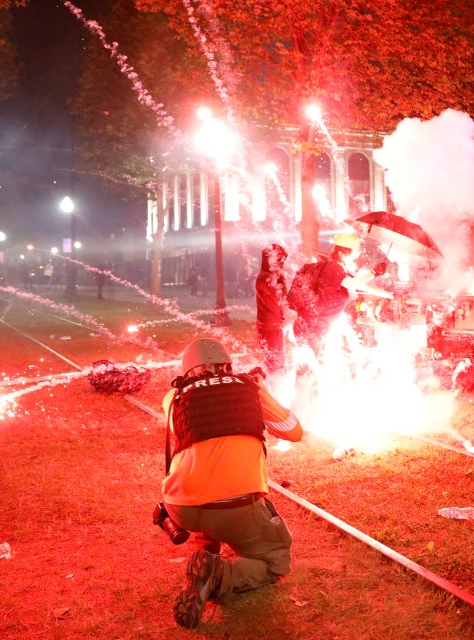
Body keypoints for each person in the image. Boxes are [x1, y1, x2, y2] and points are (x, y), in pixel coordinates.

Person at [160, 338, 303, 629]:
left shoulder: (172, 397)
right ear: (228, 364)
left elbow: (202, 427)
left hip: (180, 506)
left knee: (205, 489)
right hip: (235, 505)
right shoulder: (249, 387)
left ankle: (206, 553)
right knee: (275, 562)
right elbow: (293, 431)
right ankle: (220, 575)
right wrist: (259, 391)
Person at [290, 232, 388, 354]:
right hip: (311, 327)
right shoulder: (334, 268)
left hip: (312, 326)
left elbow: (358, 285)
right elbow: (352, 284)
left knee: (311, 366)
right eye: (353, 253)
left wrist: (387, 294)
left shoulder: (337, 270)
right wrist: (373, 273)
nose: (356, 256)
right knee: (309, 369)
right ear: (342, 253)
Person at [254, 244, 288, 373]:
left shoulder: (267, 276)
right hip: (270, 326)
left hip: (272, 325)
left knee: (276, 362)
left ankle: (274, 386)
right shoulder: (266, 278)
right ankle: (274, 388)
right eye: (280, 260)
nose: (282, 265)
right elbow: (282, 294)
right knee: (275, 364)